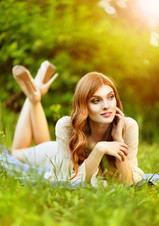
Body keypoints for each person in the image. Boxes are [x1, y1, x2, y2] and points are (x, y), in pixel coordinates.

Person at [11, 60, 144, 187]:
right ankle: (33, 98)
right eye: (96, 100)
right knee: (16, 152)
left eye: (110, 97)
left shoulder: (128, 126)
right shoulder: (67, 126)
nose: (106, 106)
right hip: (53, 154)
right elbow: (68, 181)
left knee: (41, 141)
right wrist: (99, 150)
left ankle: (36, 92)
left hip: (61, 151)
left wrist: (118, 139)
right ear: (83, 105)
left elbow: (128, 182)